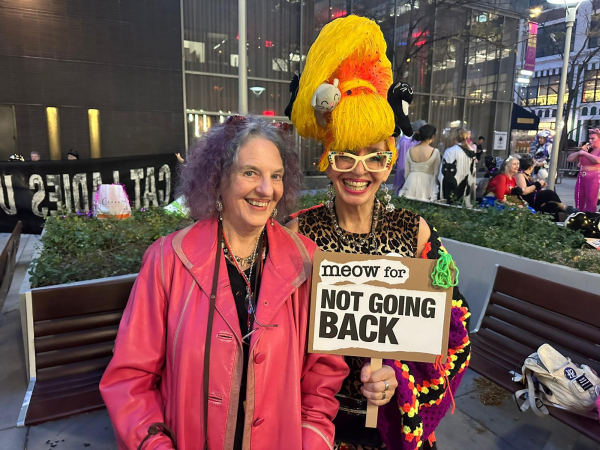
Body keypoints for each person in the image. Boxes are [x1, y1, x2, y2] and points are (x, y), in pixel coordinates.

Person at [100, 116, 349, 450]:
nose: (266, 189)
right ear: (217, 179)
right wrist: (155, 446)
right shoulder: (166, 260)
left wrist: (311, 440)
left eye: (275, 176)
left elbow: (323, 376)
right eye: (250, 173)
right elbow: (130, 378)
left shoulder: (307, 261)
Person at [286, 15, 471, 450]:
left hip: (389, 429)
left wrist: (399, 376)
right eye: (345, 155)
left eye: (375, 157)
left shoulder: (416, 232)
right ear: (327, 159)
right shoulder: (298, 234)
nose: (359, 171)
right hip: (314, 428)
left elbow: (455, 332)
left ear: (391, 163)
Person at [515, 155, 575, 220]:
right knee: (549, 193)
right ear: (530, 167)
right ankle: (564, 207)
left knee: (552, 206)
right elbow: (524, 191)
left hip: (533, 197)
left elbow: (532, 187)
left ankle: (564, 217)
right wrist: (537, 184)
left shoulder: (527, 176)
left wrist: (540, 186)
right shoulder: (520, 175)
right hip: (528, 200)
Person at [399, 124, 440, 202]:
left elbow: (407, 171)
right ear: (431, 136)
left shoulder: (410, 150)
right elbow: (436, 172)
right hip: (427, 184)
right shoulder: (435, 151)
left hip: (411, 181)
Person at [439, 128, 477, 207]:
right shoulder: (472, 152)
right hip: (467, 188)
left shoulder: (450, 151)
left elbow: (443, 174)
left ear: (454, 137)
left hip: (451, 190)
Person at [568, 129, 600, 212]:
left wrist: (585, 154)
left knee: (591, 199)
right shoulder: (588, 149)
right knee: (579, 198)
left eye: (593, 138)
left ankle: (590, 218)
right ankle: (579, 216)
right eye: (589, 138)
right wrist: (580, 152)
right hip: (581, 176)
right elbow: (569, 159)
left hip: (594, 176)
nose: (590, 140)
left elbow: (597, 160)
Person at [393, 120, 425, 194]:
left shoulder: (403, 139)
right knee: (409, 189)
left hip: (401, 166)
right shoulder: (418, 141)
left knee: (398, 187)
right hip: (412, 168)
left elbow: (396, 151)